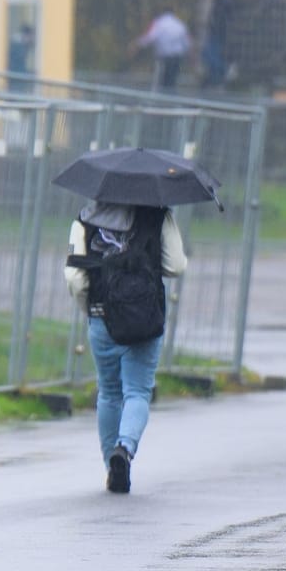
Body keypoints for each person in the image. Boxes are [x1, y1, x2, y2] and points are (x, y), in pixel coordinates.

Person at [63, 201, 187, 494]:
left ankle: (112, 468)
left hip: (101, 315)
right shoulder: (158, 214)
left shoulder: (85, 217)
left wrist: (90, 310)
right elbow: (176, 265)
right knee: (138, 391)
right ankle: (125, 448)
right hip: (144, 315)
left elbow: (75, 278)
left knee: (109, 392)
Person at [130, 11, 190, 91]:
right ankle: (171, 98)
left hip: (165, 58)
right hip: (177, 58)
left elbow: (150, 37)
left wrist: (136, 45)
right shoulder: (179, 24)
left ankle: (162, 99)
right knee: (172, 81)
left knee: (162, 81)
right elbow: (187, 43)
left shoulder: (158, 23)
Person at [201, 0, 231, 89]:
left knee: (212, 56)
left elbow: (223, 19)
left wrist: (215, 26)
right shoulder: (217, 2)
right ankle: (215, 77)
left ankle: (220, 76)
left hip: (218, 34)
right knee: (208, 55)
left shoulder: (224, 2)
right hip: (215, 33)